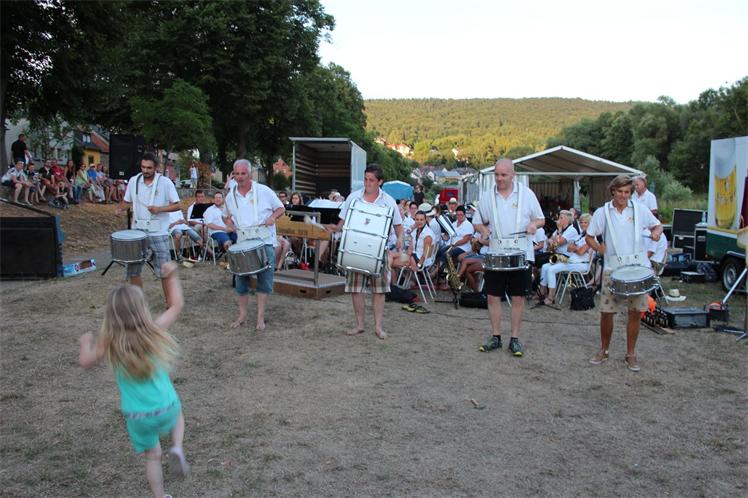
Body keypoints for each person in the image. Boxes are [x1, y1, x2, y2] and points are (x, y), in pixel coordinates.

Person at [78, 261, 190, 498]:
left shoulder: (109, 343)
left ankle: (160, 496)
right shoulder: (154, 331)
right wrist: (171, 276)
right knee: (178, 415)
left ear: (111, 316)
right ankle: (177, 447)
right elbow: (177, 305)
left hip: (138, 416)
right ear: (142, 310)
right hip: (166, 406)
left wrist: (85, 343)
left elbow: (86, 362)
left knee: (152, 456)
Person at [585, 175, 663, 372]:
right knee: (606, 313)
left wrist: (656, 233)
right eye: (619, 191)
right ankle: (604, 350)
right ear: (613, 191)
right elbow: (589, 237)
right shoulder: (602, 212)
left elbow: (657, 225)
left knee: (635, 313)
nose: (623, 195)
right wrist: (599, 249)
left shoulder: (640, 209)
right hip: (613, 268)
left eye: (627, 192)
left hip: (638, 267)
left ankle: (631, 354)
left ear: (631, 193)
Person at [472, 159, 544, 357]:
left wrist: (533, 225)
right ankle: (496, 336)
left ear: (513, 175)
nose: (499, 178)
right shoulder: (487, 196)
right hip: (496, 251)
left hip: (521, 252)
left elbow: (541, 219)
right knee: (493, 296)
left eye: (504, 175)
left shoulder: (527, 194)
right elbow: (477, 221)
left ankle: (514, 338)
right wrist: (483, 229)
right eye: (496, 174)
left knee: (518, 297)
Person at [326, 164, 403, 340]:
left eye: (371, 180)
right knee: (356, 289)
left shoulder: (389, 201)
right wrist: (335, 228)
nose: (367, 183)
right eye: (366, 179)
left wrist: (400, 238)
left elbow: (398, 226)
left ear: (380, 182)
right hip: (355, 249)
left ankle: (378, 327)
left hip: (379, 250)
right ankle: (359, 325)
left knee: (379, 291)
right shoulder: (353, 197)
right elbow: (342, 223)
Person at [221, 159, 285, 331]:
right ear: (233, 175)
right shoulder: (230, 196)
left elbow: (280, 208)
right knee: (241, 281)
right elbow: (225, 216)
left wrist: (272, 217)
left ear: (250, 174)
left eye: (243, 173)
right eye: (237, 174)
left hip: (264, 241)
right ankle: (242, 315)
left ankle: (260, 317)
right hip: (243, 242)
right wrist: (229, 224)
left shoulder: (263, 191)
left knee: (264, 280)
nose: (240, 177)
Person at [116, 152, 182, 304]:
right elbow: (127, 201)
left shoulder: (165, 183)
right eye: (143, 167)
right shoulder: (134, 181)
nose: (145, 170)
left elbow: (178, 205)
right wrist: (119, 209)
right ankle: (138, 302)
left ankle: (169, 302)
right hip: (138, 231)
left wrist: (159, 209)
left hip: (158, 232)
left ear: (156, 167)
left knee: (164, 269)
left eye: (149, 168)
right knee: (133, 269)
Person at [537, 213, 593, 305]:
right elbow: (569, 248)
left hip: (581, 264)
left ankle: (551, 298)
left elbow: (581, 252)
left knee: (551, 269)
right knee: (545, 267)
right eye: (581, 222)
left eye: (585, 222)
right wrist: (576, 248)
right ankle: (541, 294)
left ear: (590, 224)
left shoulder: (591, 237)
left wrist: (575, 248)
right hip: (572, 261)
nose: (582, 224)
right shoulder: (581, 235)